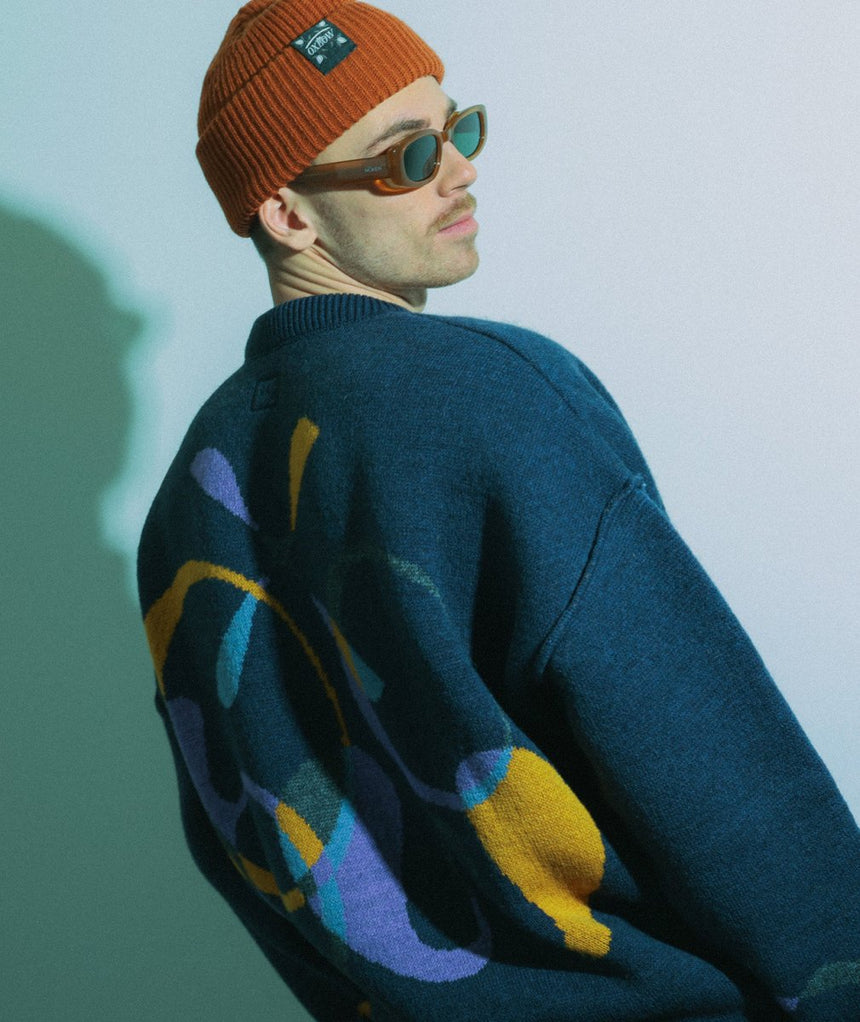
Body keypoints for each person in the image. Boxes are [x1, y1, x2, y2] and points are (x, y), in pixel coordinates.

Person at [137, 2, 860, 1020]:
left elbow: (245, 841)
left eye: (458, 128)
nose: (460, 169)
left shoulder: (183, 507)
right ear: (289, 215)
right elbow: (711, 764)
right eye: (409, 156)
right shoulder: (493, 393)